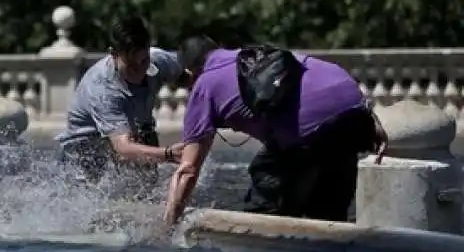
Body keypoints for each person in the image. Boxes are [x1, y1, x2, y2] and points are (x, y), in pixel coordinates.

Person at [163, 35, 388, 227]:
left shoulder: (204, 86)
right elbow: (323, 76)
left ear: (189, 72)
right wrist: (369, 116)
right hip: (354, 116)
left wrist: (168, 227)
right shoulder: (258, 54)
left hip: (310, 133)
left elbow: (188, 171)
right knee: (328, 220)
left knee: (263, 216)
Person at [54, 15, 194, 196]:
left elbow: (190, 75)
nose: (140, 71)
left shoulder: (158, 59)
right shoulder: (102, 88)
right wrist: (168, 154)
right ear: (113, 53)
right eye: (131, 65)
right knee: (89, 201)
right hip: (87, 146)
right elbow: (123, 148)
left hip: (138, 129)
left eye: (144, 61)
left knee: (147, 192)